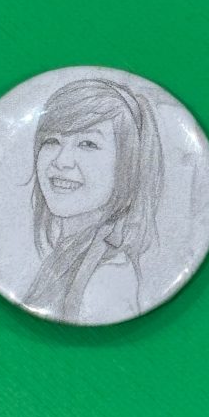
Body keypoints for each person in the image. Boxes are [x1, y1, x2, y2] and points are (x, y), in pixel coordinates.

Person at [24, 78, 163, 323]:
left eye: (87, 144)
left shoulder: (108, 275)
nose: (62, 161)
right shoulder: (67, 255)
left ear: (128, 166)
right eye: (52, 141)